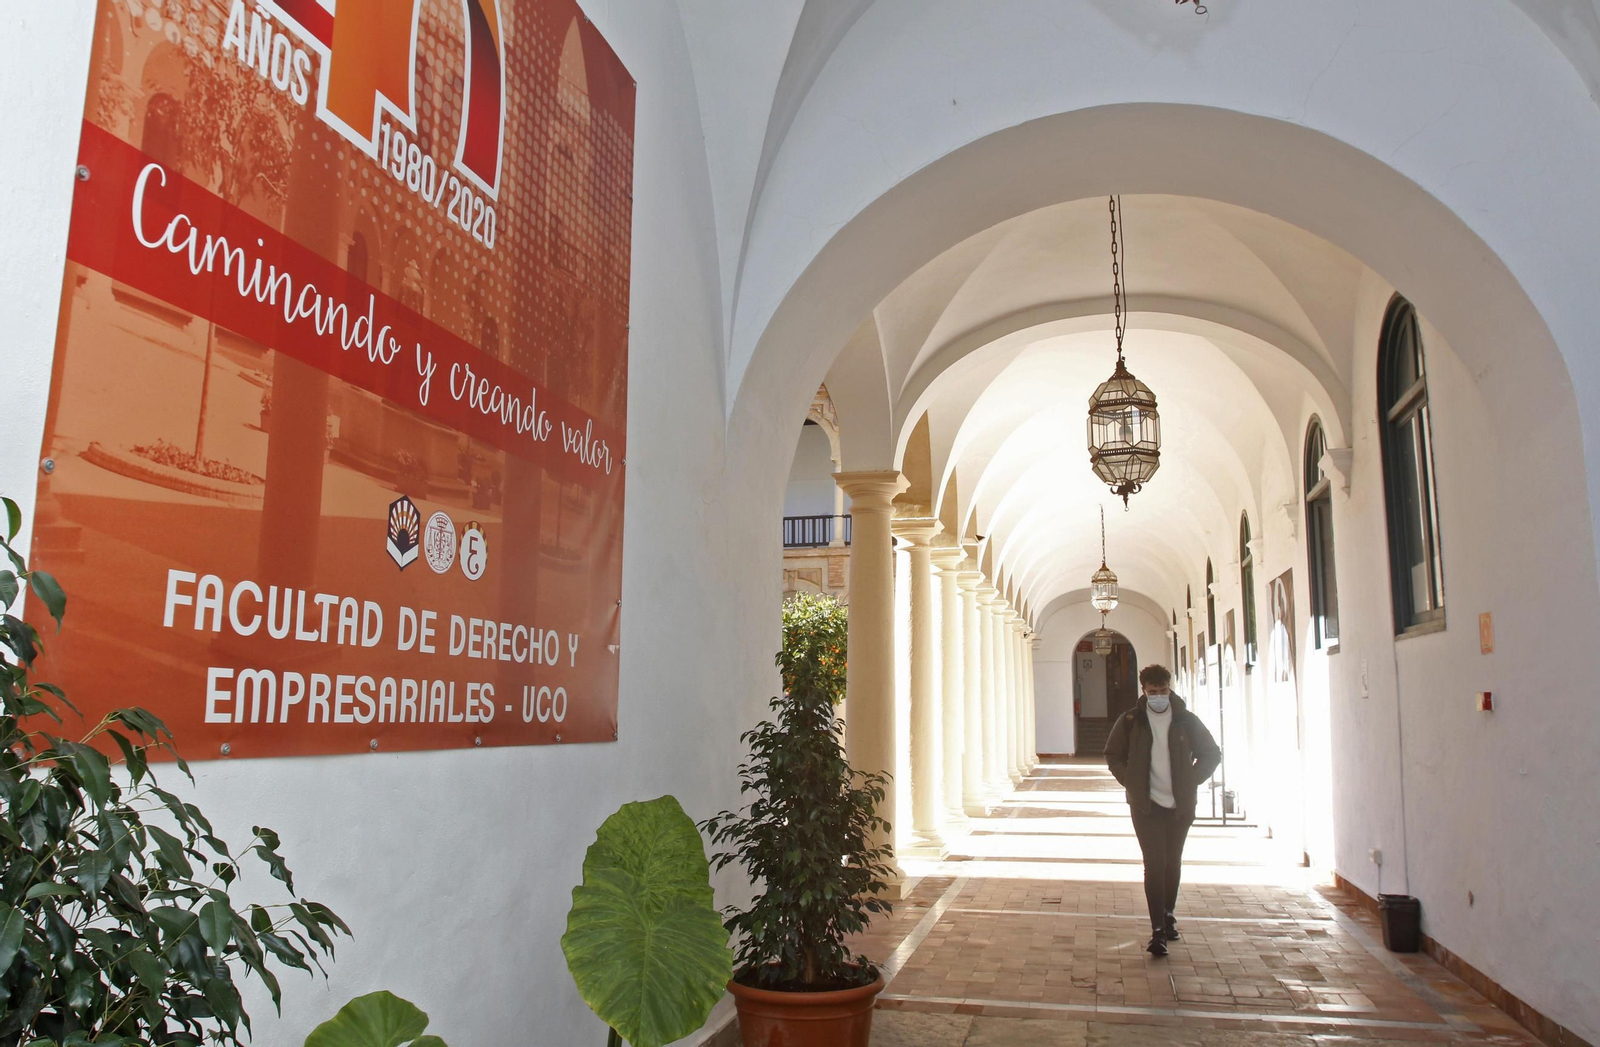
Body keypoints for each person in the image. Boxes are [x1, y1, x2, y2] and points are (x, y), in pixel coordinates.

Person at [1104, 664, 1221, 957]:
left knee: (1172, 862)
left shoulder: (1186, 720)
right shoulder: (1131, 721)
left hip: (1180, 806)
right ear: (1144, 691)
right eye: (1153, 691)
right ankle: (1157, 930)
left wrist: (1191, 780)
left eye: (1163, 690)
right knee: (1154, 864)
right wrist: (1130, 780)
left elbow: (1211, 753)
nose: (1159, 696)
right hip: (1146, 806)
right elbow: (1113, 754)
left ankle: (1168, 914)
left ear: (1170, 688)